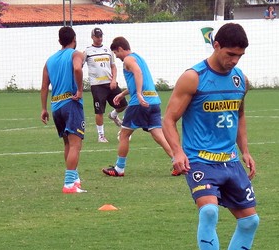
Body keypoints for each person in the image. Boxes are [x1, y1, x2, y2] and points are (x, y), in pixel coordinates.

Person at [162, 23, 259, 250]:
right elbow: (168, 119)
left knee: (250, 221)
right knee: (209, 213)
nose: (234, 61)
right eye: (230, 54)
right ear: (216, 46)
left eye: (239, 56)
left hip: (229, 161)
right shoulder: (193, 78)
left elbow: (239, 116)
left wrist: (246, 151)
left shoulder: (239, 79)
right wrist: (177, 152)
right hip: (199, 160)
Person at [102, 36, 179, 177]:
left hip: (139, 104)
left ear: (120, 49)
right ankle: (178, 162)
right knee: (158, 135)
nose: (117, 56)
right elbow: (139, 78)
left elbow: (138, 73)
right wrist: (123, 94)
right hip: (154, 102)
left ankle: (119, 168)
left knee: (124, 135)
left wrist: (138, 94)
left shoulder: (128, 59)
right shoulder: (138, 58)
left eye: (116, 53)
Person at [40, 26, 87, 194]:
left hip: (56, 106)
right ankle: (68, 184)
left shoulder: (50, 60)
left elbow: (44, 86)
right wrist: (80, 90)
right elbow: (77, 68)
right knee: (76, 144)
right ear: (74, 39)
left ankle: (74, 179)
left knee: (67, 143)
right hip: (71, 103)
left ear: (60, 41)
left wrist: (43, 108)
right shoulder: (76, 54)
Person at [83, 27, 127, 143]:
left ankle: (113, 115)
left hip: (110, 84)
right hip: (97, 85)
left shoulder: (108, 50)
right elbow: (79, 65)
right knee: (99, 111)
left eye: (101, 36)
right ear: (92, 37)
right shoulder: (87, 51)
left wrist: (114, 80)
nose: (99, 38)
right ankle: (101, 135)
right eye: (97, 36)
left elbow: (113, 66)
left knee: (123, 104)